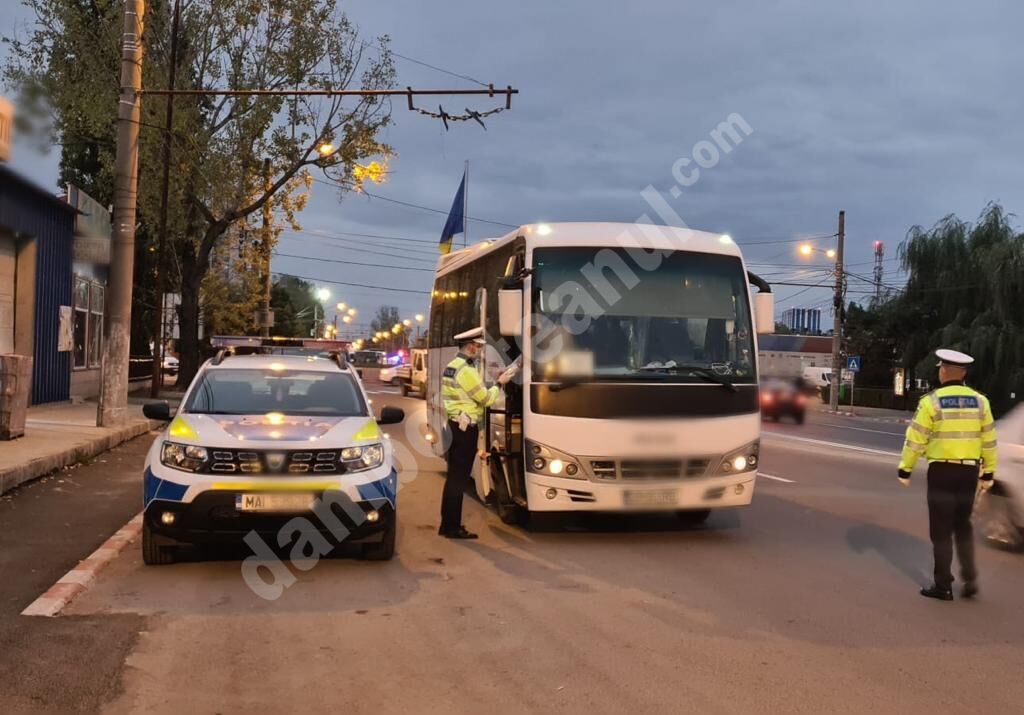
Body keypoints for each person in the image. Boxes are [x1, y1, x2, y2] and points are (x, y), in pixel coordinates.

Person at [898, 349, 998, 601]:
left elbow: (915, 439)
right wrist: (988, 474)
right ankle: (970, 578)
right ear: (963, 373)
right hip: (969, 472)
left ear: (943, 371)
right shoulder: (980, 401)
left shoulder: (931, 402)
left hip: (942, 472)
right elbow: (989, 440)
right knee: (962, 526)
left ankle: (943, 585)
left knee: (941, 530)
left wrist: (905, 468)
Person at [439, 327, 515, 539]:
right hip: (465, 431)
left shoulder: (452, 366)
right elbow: (486, 399)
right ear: (470, 346)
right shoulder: (467, 371)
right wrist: (500, 384)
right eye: (478, 346)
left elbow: (470, 393)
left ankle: (447, 524)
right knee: (459, 480)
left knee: (453, 478)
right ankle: (452, 527)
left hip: (454, 426)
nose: (480, 350)